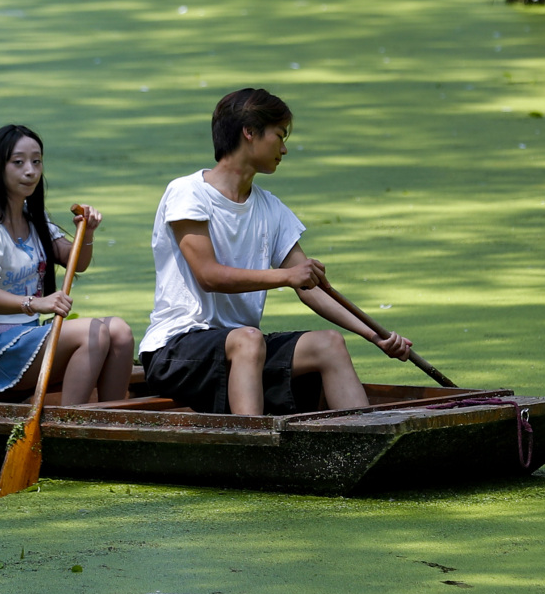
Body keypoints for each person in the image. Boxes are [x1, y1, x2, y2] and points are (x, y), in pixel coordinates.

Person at [139, 88, 415, 416]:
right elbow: (209, 276)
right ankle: (254, 450)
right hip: (175, 354)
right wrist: (285, 276)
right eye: (280, 136)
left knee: (329, 344)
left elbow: (309, 287)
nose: (284, 148)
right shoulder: (187, 193)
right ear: (250, 132)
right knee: (248, 340)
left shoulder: (271, 208)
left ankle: (365, 440)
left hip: (241, 350)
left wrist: (376, 336)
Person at [0, 124, 134, 404]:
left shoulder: (34, 217)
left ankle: (112, 423)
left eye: (36, 161)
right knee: (92, 332)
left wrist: (87, 232)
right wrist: (36, 303)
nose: (30, 171)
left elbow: (76, 263)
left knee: (120, 331)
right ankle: (69, 426)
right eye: (18, 162)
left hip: (28, 335)